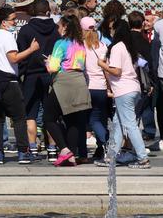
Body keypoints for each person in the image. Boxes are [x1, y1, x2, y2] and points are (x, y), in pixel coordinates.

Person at [0, 7, 40, 164]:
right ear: (4, 22)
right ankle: (22, 152)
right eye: (12, 19)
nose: (15, 22)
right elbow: (13, 58)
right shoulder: (7, 37)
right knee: (19, 117)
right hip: (8, 81)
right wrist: (31, 49)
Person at [98, 12, 152, 169]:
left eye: (112, 30)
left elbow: (116, 71)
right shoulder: (129, 47)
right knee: (119, 123)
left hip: (123, 90)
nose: (111, 32)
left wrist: (102, 65)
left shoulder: (117, 47)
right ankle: (111, 156)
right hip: (133, 88)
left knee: (129, 124)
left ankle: (142, 158)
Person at [43, 14, 91, 167]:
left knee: (48, 118)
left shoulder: (61, 43)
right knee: (73, 121)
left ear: (64, 27)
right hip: (79, 82)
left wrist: (48, 61)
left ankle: (64, 149)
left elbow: (53, 68)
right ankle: (72, 153)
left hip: (64, 82)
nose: (58, 28)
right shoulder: (81, 44)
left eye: (59, 26)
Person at [16, 0, 61, 156]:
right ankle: (52, 148)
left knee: (31, 113)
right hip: (51, 75)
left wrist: (20, 74)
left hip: (31, 75)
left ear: (32, 12)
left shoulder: (26, 30)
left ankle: (32, 147)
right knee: (51, 114)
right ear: (48, 11)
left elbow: (21, 54)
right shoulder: (56, 30)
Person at [82, 16, 110, 162]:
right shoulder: (103, 46)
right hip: (102, 87)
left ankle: (106, 142)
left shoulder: (82, 46)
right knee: (102, 118)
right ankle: (102, 148)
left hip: (88, 86)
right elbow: (107, 69)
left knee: (92, 120)